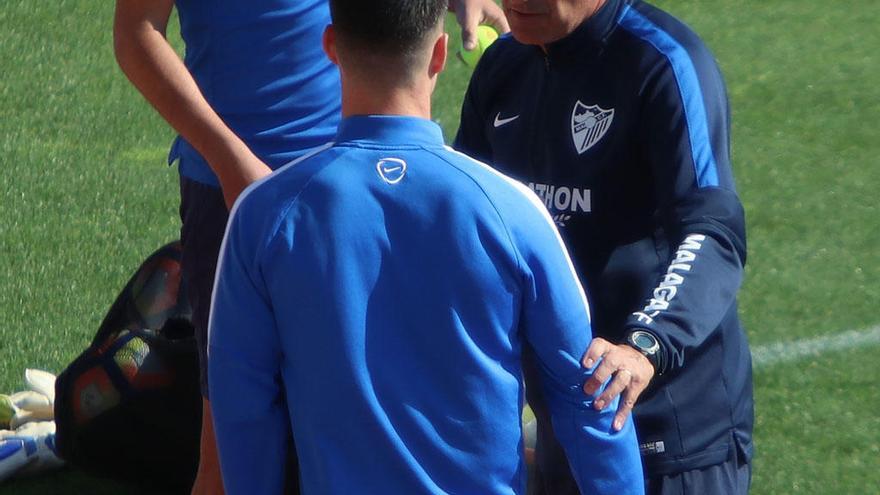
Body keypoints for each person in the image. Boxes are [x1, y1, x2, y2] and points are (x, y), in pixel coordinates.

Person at [207, 0, 644, 493]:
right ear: (439, 54)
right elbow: (590, 397)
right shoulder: (512, 210)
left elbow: (240, 404)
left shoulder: (265, 215)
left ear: (330, 46)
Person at [112, 0, 507, 492]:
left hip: (354, 175)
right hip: (231, 190)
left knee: (372, 414)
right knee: (228, 451)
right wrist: (228, 160)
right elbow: (136, 36)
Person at [454, 0, 753, 493]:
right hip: (565, 420)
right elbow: (469, 225)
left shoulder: (663, 63)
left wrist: (646, 345)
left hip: (667, 430)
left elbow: (713, 232)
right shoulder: (504, 66)